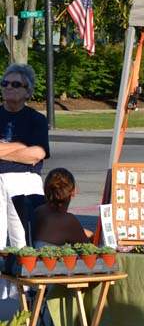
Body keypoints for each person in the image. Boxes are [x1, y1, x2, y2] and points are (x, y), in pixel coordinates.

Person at [0, 64, 49, 298]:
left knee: (23, 245)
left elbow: (37, 154)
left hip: (25, 183)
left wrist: (5, 149)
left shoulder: (36, 120)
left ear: (28, 91)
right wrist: (20, 148)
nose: (9, 88)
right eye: (5, 83)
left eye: (16, 84)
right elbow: (27, 152)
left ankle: (25, 317)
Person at [33, 168, 92, 246]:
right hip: (52, 258)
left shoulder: (38, 211)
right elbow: (87, 249)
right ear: (73, 192)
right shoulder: (68, 220)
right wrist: (92, 236)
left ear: (45, 190)